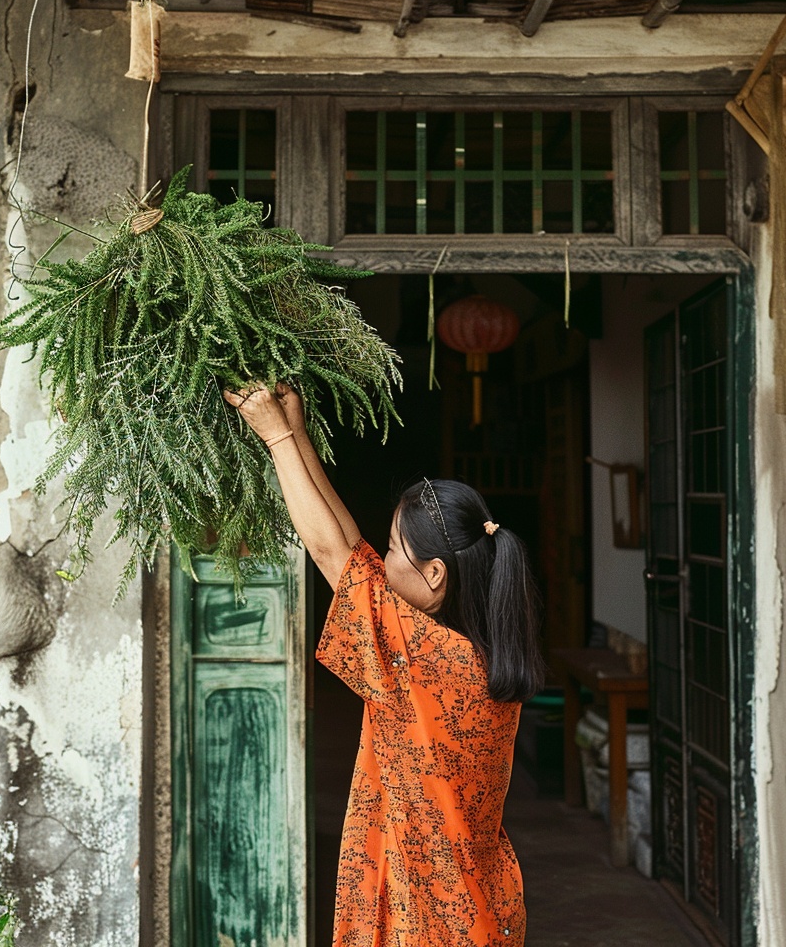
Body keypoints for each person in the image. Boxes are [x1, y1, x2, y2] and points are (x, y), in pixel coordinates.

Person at [223, 381, 546, 947]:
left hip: (423, 921)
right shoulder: (482, 654)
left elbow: (333, 554)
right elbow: (353, 552)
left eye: (396, 548)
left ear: (436, 576)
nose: (382, 556)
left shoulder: (422, 658)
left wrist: (276, 437)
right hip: (479, 906)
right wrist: (296, 435)